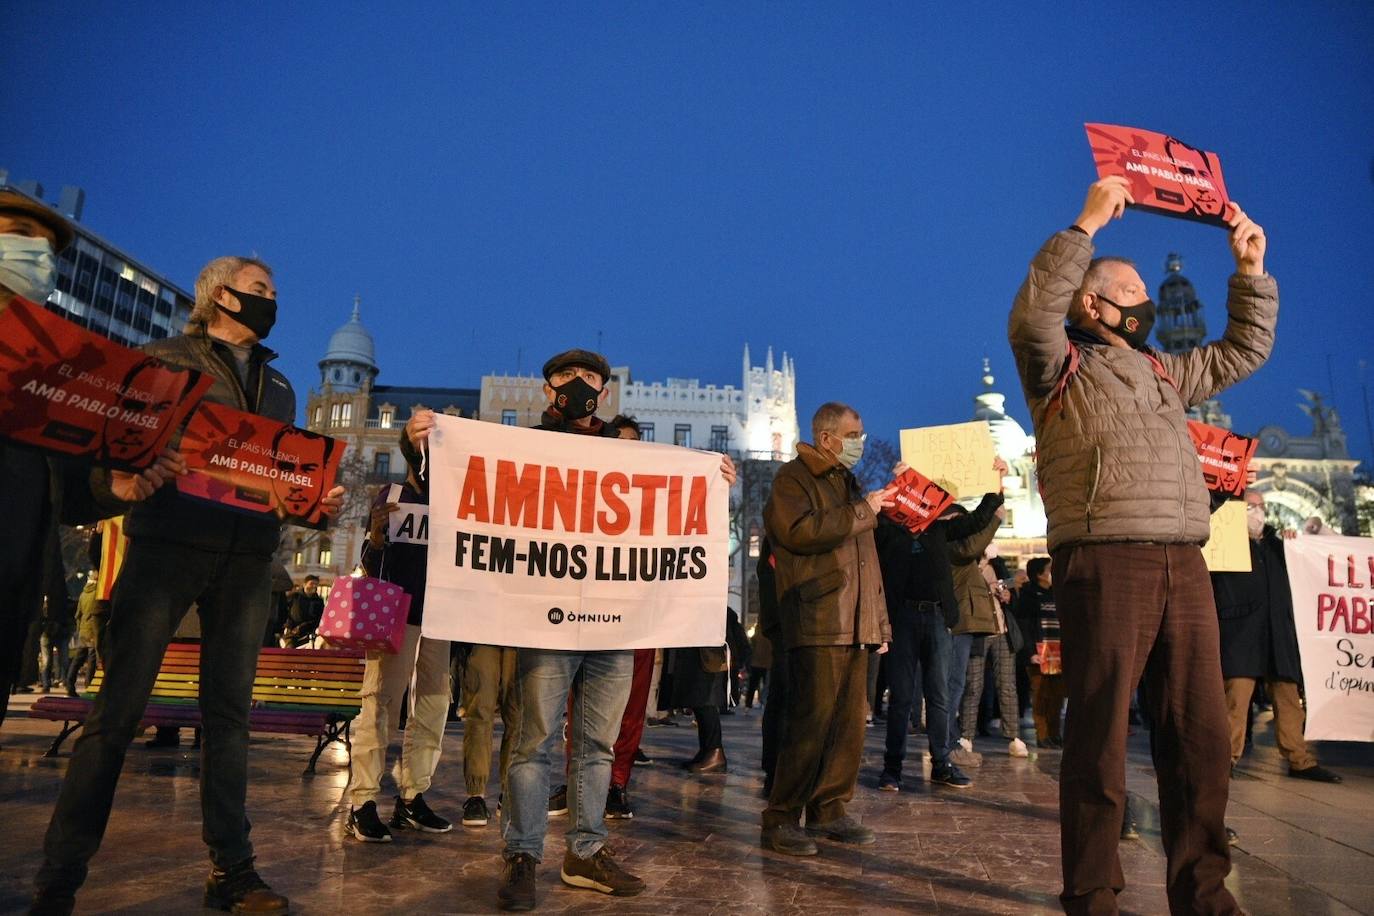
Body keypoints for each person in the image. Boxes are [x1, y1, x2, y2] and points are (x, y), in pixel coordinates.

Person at [33, 255, 346, 916]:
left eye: (276, 290)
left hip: (248, 560)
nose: (272, 300)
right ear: (220, 294)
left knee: (230, 720)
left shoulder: (283, 388)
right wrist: (119, 481)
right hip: (168, 547)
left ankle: (232, 870)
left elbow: (275, 474)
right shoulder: (162, 360)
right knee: (115, 714)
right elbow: (105, 454)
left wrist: (312, 500)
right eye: (261, 289)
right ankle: (59, 879)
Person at [1008, 175, 1276, 915]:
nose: (1144, 301)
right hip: (1105, 554)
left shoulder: (1164, 370)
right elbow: (1032, 317)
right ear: (1093, 303)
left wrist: (1248, 273)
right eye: (1130, 290)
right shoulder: (1060, 366)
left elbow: (1237, 354)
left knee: (1197, 734)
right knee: (1098, 737)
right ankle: (1093, 893)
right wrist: (1086, 225)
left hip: (1181, 559)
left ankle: (1204, 894)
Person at [398, 349, 735, 911]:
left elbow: (674, 506)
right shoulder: (521, 448)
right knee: (533, 741)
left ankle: (585, 853)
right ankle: (523, 854)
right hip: (546, 624)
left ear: (605, 392)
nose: (579, 385)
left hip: (614, 625)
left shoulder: (632, 455)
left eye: (591, 379)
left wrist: (717, 479)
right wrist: (417, 445)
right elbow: (447, 488)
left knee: (596, 744)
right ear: (548, 388)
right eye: (566, 378)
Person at [760, 402, 892, 857]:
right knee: (809, 723)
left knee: (848, 726)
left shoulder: (846, 482)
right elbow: (798, 531)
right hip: (817, 616)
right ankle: (781, 816)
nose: (861, 441)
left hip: (854, 620)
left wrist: (878, 621)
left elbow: (865, 560)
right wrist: (862, 511)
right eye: (854, 433)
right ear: (827, 437)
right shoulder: (793, 479)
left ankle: (829, 809)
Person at [345, 470, 455, 842]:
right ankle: (362, 802)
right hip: (395, 615)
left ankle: (412, 796)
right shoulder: (390, 494)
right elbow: (368, 563)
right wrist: (376, 537)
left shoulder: (454, 497)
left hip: (439, 618)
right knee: (381, 705)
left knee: (434, 706)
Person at [1212, 490, 1340, 783]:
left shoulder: (1279, 545)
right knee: (1235, 699)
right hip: (1240, 630)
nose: (1258, 512)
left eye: (1261, 507)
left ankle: (1299, 759)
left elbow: (1321, 554)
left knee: (1288, 698)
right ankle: (1224, 759)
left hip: (1278, 633)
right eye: (1250, 506)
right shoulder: (1223, 542)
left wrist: (1314, 528)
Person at [1016, 558, 1065, 748]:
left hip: (1058, 652)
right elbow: (1024, 626)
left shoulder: (1058, 594)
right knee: (1041, 695)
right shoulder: (1029, 595)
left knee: (1057, 696)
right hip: (1039, 652)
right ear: (1039, 574)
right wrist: (1029, 652)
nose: (1053, 573)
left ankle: (1055, 733)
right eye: (1049, 570)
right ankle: (1042, 734)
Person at [282, 575, 324, 647]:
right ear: (304, 584)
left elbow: (320, 617)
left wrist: (307, 626)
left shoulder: (319, 601)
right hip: (292, 631)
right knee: (289, 650)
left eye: (316, 584)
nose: (314, 586)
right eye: (311, 583)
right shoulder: (294, 597)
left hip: (309, 632)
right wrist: (287, 625)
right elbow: (284, 611)